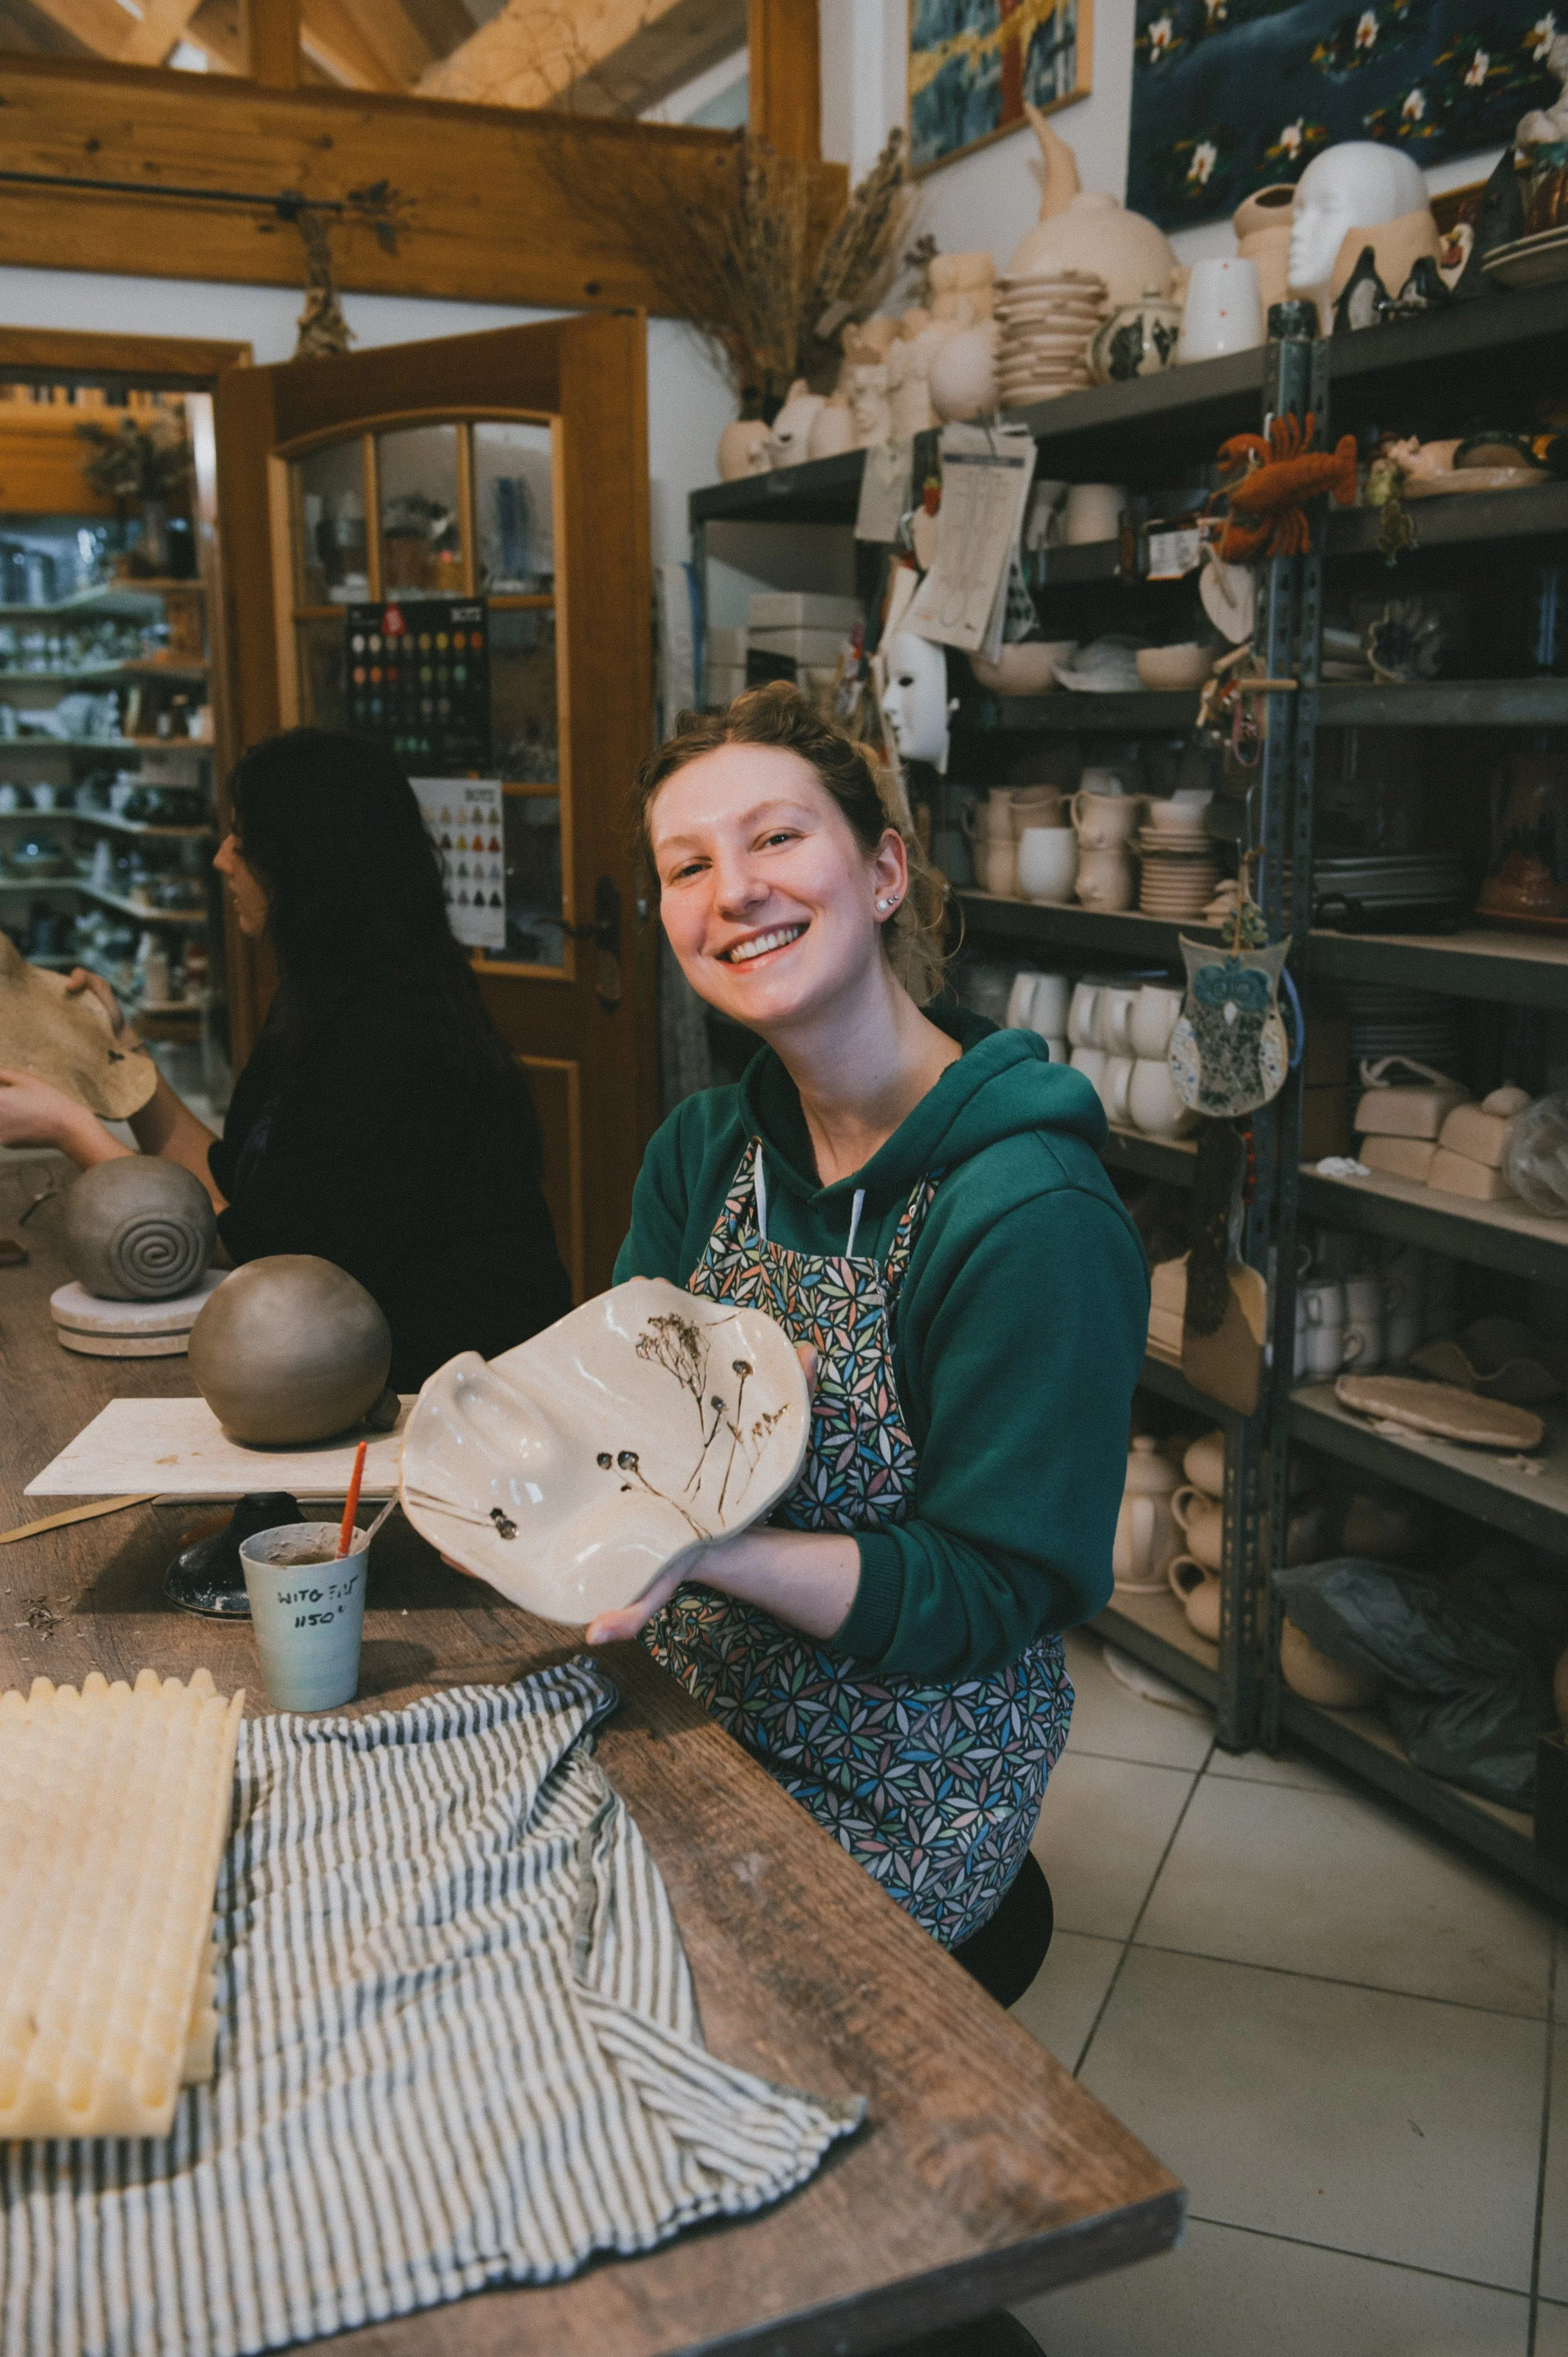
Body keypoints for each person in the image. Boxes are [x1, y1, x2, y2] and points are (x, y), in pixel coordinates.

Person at [590, 681, 1148, 1964]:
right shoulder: (704, 1155)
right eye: (687, 864)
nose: (731, 889)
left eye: (776, 838)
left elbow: (994, 1585)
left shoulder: (1026, 1212)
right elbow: (623, 1416)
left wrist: (711, 1548)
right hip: (691, 1701)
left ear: (884, 870)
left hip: (907, 1790)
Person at [0, 728, 571, 1386]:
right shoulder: (328, 995)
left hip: (455, 1393)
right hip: (373, 1372)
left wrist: (71, 1127)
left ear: (307, 863)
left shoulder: (390, 1034)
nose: (221, 858)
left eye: (243, 838)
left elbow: (263, 1257)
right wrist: (109, 1056)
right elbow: (230, 1191)